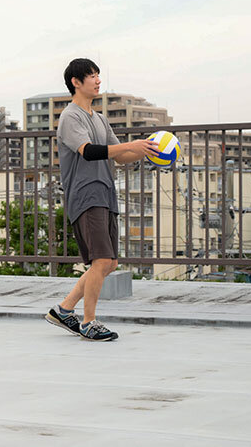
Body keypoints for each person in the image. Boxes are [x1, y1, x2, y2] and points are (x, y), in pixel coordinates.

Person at [45, 58, 159, 341]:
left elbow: (120, 156)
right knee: (101, 259)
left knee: (109, 263)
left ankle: (64, 310)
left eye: (98, 75)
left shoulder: (99, 119)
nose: (98, 80)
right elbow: (89, 151)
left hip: (105, 192)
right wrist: (131, 144)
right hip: (86, 194)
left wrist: (148, 150)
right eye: (92, 75)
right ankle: (88, 322)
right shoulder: (70, 117)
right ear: (76, 82)